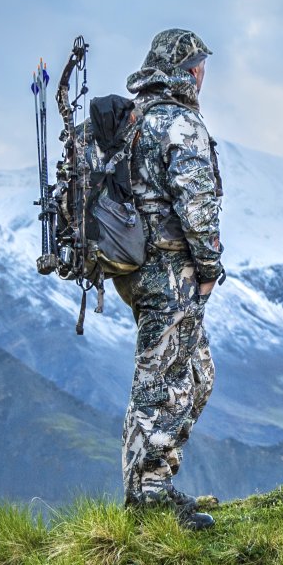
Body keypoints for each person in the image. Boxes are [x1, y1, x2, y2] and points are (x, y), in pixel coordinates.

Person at [115, 27, 223, 530]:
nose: (203, 74)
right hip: (169, 271)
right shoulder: (179, 124)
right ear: (187, 70)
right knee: (160, 382)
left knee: (196, 375)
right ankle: (149, 498)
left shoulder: (135, 121)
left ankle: (152, 482)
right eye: (199, 65)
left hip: (137, 268)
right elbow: (197, 206)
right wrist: (207, 270)